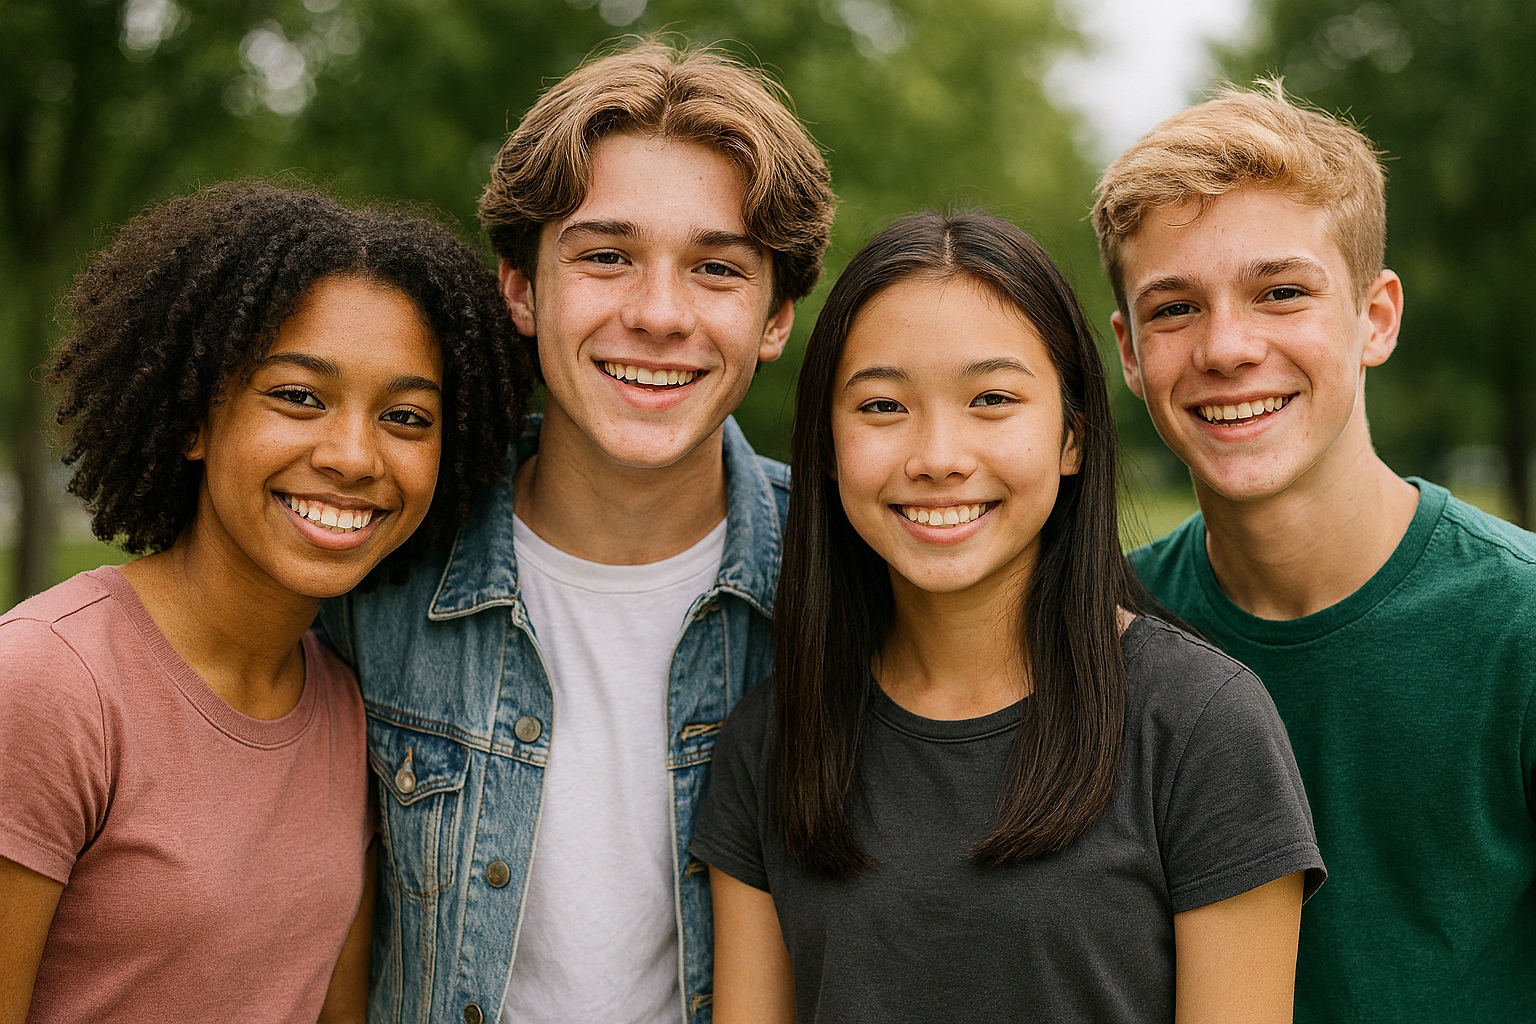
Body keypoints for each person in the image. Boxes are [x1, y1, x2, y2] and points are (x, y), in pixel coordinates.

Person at [689, 210, 1324, 1023]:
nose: (939, 456)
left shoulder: (1201, 726)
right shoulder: (772, 738)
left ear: (1072, 438)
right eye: (883, 407)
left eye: (992, 398)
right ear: (826, 445)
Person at [315, 40, 835, 1024]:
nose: (658, 314)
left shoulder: (850, 576)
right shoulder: (377, 569)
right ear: (520, 288)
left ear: (776, 318)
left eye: (717, 269)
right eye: (606, 256)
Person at [0, 180, 528, 1024]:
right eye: (298, 397)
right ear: (193, 418)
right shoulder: (47, 682)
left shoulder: (344, 704)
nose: (355, 456)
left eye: (405, 416)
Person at [1094, 82, 1536, 1022]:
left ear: (1375, 317)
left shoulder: (1521, 633)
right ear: (1129, 354)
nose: (1226, 347)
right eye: (1174, 309)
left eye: (1281, 292)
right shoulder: (1103, 630)